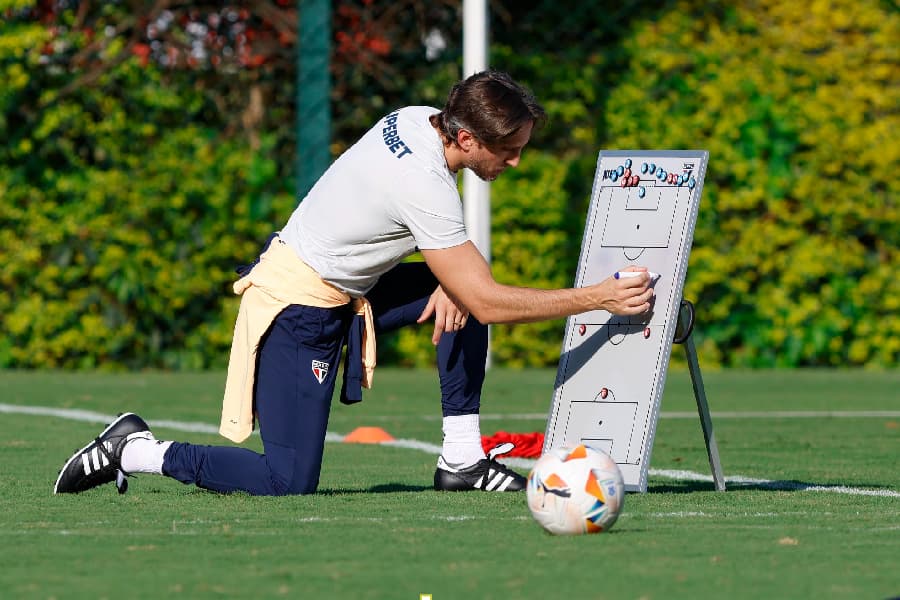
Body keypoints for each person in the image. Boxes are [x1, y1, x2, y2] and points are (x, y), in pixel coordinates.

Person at [53, 70, 655, 497]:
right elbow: (489, 303)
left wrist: (455, 284)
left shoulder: (418, 119)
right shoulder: (423, 182)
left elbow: (464, 280)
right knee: (287, 480)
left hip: (350, 288)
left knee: (464, 292)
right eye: (509, 150)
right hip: (298, 306)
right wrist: (597, 297)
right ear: (467, 139)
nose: (516, 161)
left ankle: (462, 460)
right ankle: (135, 449)